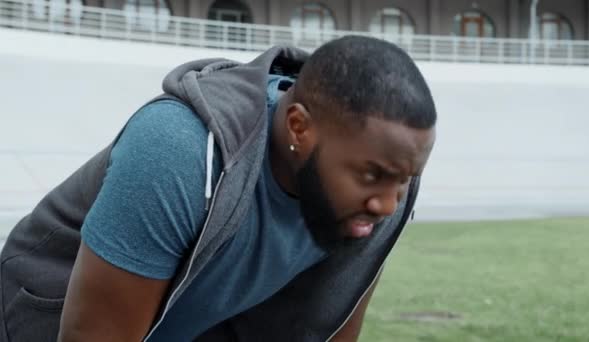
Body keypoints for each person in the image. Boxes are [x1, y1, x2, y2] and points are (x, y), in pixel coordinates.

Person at [0, 35, 436, 341]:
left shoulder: (380, 197)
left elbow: (331, 325)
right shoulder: (178, 149)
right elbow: (93, 337)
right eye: (371, 175)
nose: (387, 203)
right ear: (299, 128)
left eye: (404, 180)